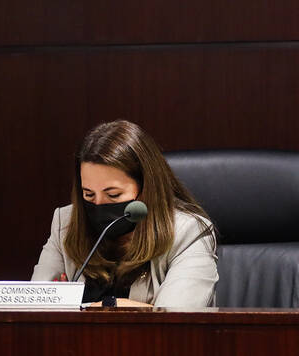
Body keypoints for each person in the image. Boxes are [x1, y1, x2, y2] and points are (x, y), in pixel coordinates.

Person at [32, 120, 218, 308]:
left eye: (113, 195)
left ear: (146, 188)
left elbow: (174, 317)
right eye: (89, 194)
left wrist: (101, 307)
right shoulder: (65, 224)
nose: (99, 204)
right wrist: (140, 308)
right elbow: (35, 306)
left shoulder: (188, 232)